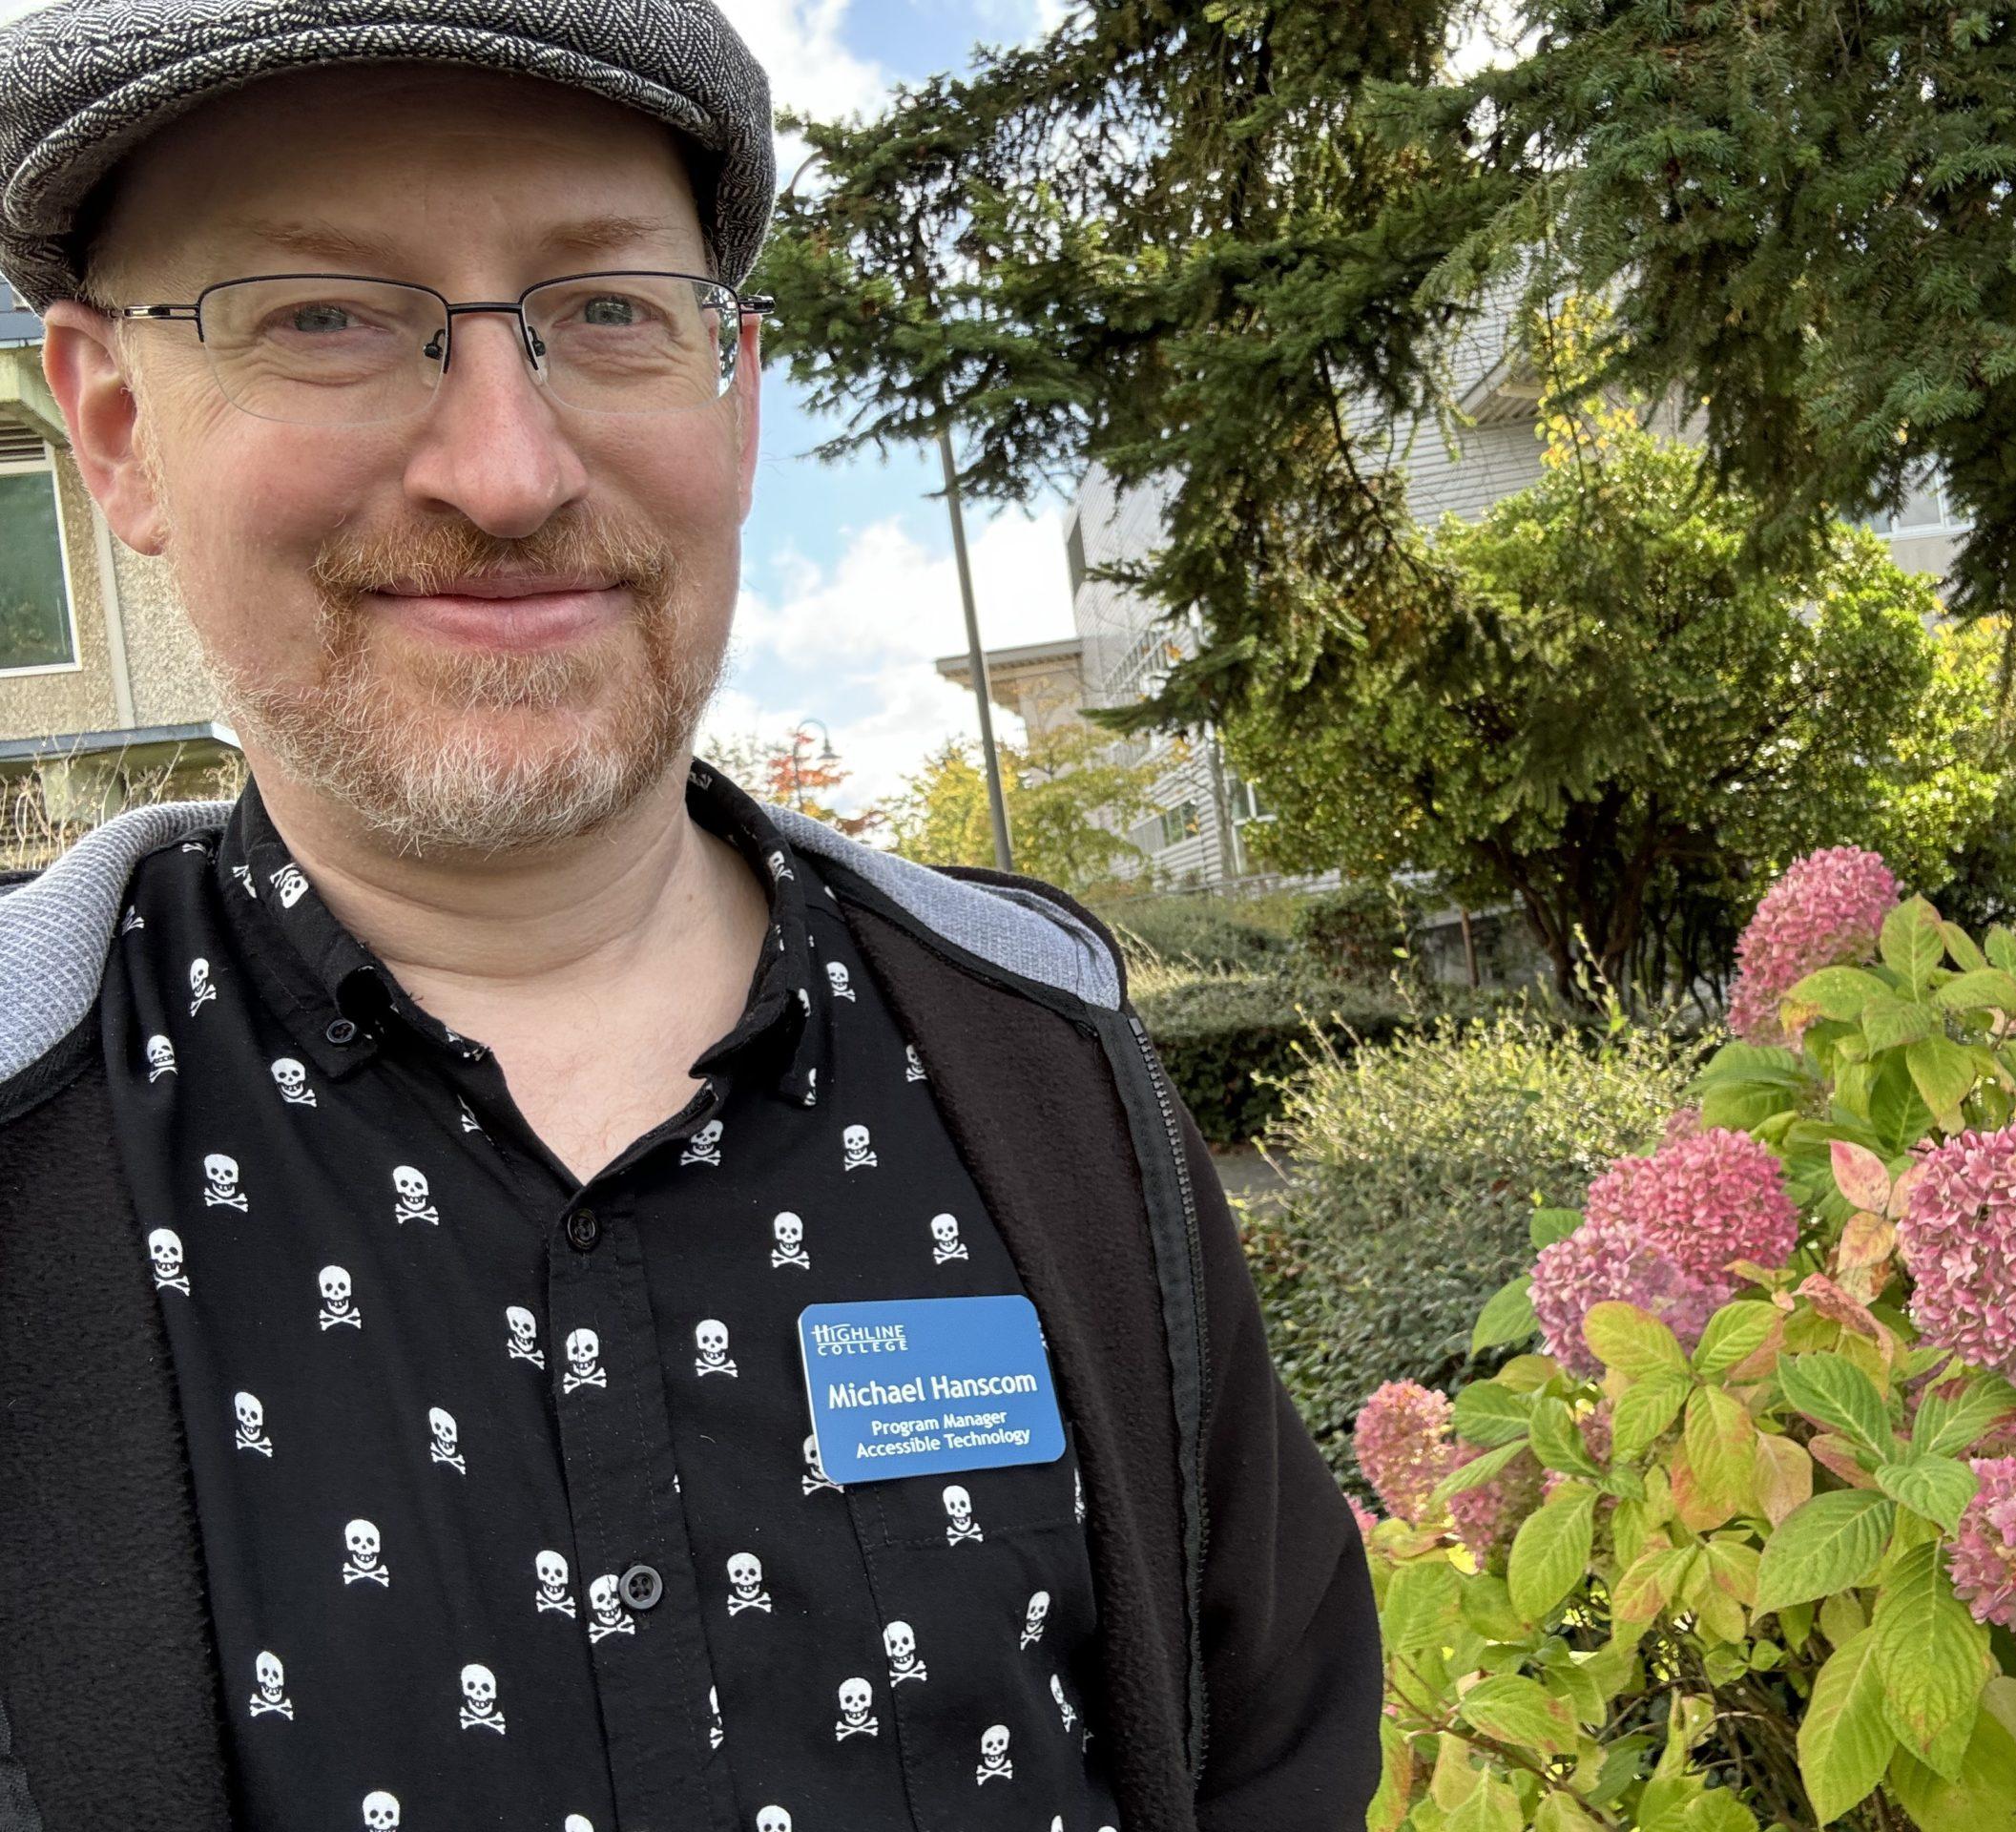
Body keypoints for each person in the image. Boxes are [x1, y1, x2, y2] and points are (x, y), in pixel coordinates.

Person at [0, 3, 1380, 1826]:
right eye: (323, 314)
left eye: (606, 312)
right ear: (115, 429)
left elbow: (1268, 1747)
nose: (507, 470)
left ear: (734, 397)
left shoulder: (1049, 1073)